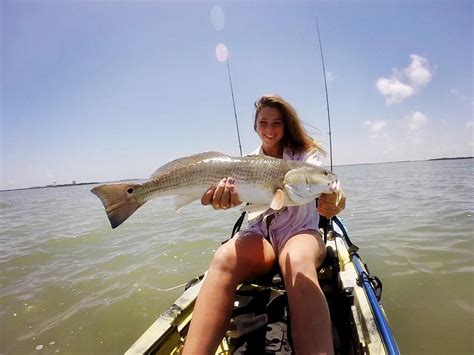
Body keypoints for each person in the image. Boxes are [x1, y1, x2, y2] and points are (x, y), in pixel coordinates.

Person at [182, 94, 345, 355]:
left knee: (296, 260)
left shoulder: (306, 156)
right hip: (260, 233)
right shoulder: (246, 162)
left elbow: (329, 186)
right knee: (224, 258)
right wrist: (223, 201)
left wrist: (335, 199)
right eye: (263, 123)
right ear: (255, 126)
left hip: (300, 231)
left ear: (287, 124)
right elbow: (247, 205)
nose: (269, 130)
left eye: (277, 123)